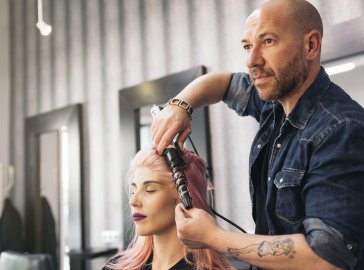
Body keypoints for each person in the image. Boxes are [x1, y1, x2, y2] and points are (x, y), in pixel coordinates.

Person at [151, 0, 364, 269]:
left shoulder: (340, 129)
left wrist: (213, 237)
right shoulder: (274, 104)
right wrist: (180, 105)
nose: (252, 60)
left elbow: (325, 258)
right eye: (248, 46)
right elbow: (224, 83)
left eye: (269, 41)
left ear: (310, 45)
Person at [103, 148, 237, 270]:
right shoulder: (116, 267)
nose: (133, 201)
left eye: (150, 190)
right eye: (133, 191)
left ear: (184, 198)